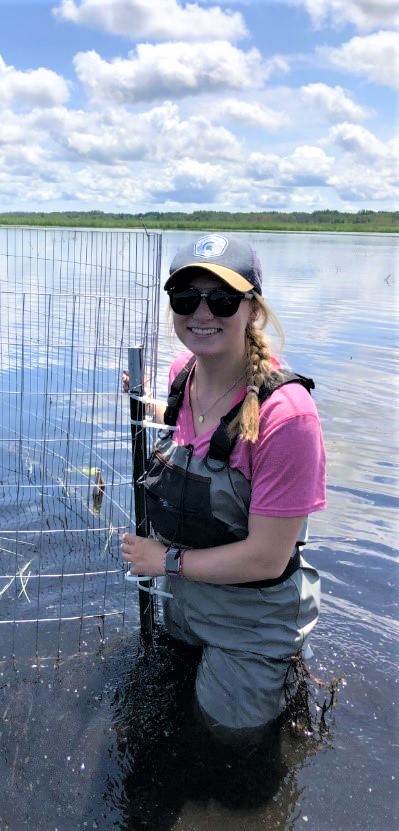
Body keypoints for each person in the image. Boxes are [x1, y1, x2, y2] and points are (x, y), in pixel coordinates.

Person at [120, 232, 326, 744]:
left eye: (223, 299)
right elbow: (192, 424)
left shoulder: (287, 417)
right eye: (186, 297)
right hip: (188, 602)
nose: (202, 312)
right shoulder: (182, 375)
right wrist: (148, 405)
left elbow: (267, 559)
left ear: (252, 309)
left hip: (252, 621)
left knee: (226, 742)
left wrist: (164, 561)